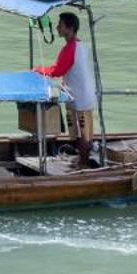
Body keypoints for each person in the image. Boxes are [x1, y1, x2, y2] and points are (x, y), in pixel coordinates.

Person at [35, 10, 99, 166]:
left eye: (60, 25)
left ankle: (83, 163)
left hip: (79, 97)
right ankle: (82, 159)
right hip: (82, 94)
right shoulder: (82, 45)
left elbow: (58, 71)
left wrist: (37, 70)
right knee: (80, 132)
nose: (57, 28)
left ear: (69, 29)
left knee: (82, 133)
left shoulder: (70, 48)